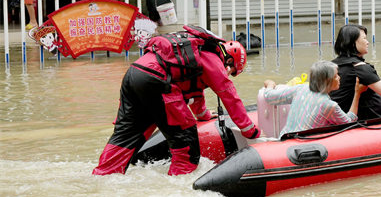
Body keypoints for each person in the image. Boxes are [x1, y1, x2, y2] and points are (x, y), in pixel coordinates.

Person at [93, 25, 260, 176]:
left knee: (126, 135)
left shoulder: (197, 52)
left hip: (134, 74)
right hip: (156, 80)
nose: (228, 74)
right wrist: (250, 131)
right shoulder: (213, 59)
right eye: (232, 71)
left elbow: (196, 93)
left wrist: (203, 115)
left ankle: (103, 176)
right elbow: (230, 97)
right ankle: (179, 184)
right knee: (186, 140)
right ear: (229, 61)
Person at [260, 61, 366, 139]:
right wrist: (357, 93)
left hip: (284, 140)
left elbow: (270, 97)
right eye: (336, 76)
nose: (339, 78)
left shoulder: (300, 88)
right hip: (303, 148)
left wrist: (270, 84)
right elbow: (349, 123)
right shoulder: (329, 105)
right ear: (327, 81)